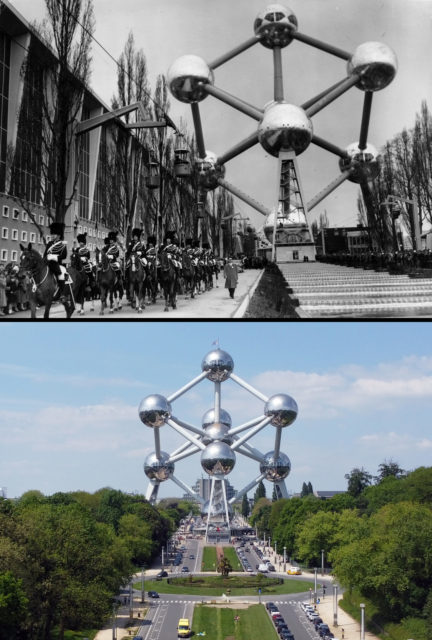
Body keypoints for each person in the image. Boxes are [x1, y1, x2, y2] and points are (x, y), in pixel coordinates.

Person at [43, 221, 68, 302]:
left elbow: (64, 255)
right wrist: (46, 258)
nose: (53, 236)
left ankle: (62, 294)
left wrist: (55, 257)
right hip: (48, 263)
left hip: (57, 263)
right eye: (52, 234)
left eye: (54, 234)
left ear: (59, 235)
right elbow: (45, 254)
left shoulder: (62, 244)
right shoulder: (49, 244)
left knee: (60, 274)